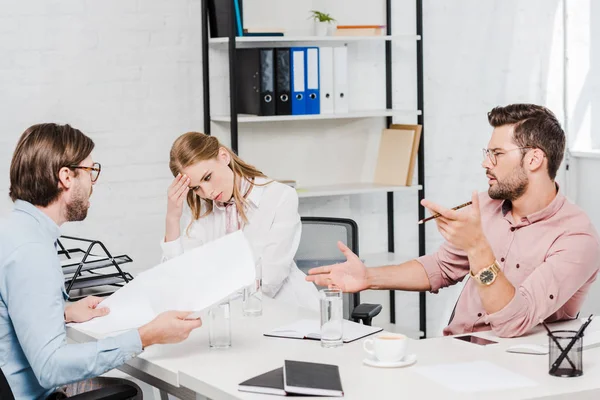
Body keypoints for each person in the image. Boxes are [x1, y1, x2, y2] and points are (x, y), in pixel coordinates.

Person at [307, 104, 600, 338]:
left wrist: (477, 248)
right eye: (487, 153)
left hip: (515, 369)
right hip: (456, 350)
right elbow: (441, 267)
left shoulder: (576, 238)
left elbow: (515, 322)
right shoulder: (488, 205)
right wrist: (369, 278)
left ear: (534, 159)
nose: (486, 163)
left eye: (497, 154)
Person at [0, 123, 203, 399]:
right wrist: (146, 336)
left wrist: (62, 312)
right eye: (90, 171)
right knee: (131, 392)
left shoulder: (13, 232)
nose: (92, 183)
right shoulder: (31, 251)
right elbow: (50, 367)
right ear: (66, 177)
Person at [162, 131, 318, 310]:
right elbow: (178, 281)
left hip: (286, 311)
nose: (208, 192)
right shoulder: (202, 211)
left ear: (223, 156)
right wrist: (172, 219)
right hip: (227, 316)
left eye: (207, 177)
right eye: (196, 187)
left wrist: (208, 289)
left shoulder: (280, 197)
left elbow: (268, 282)